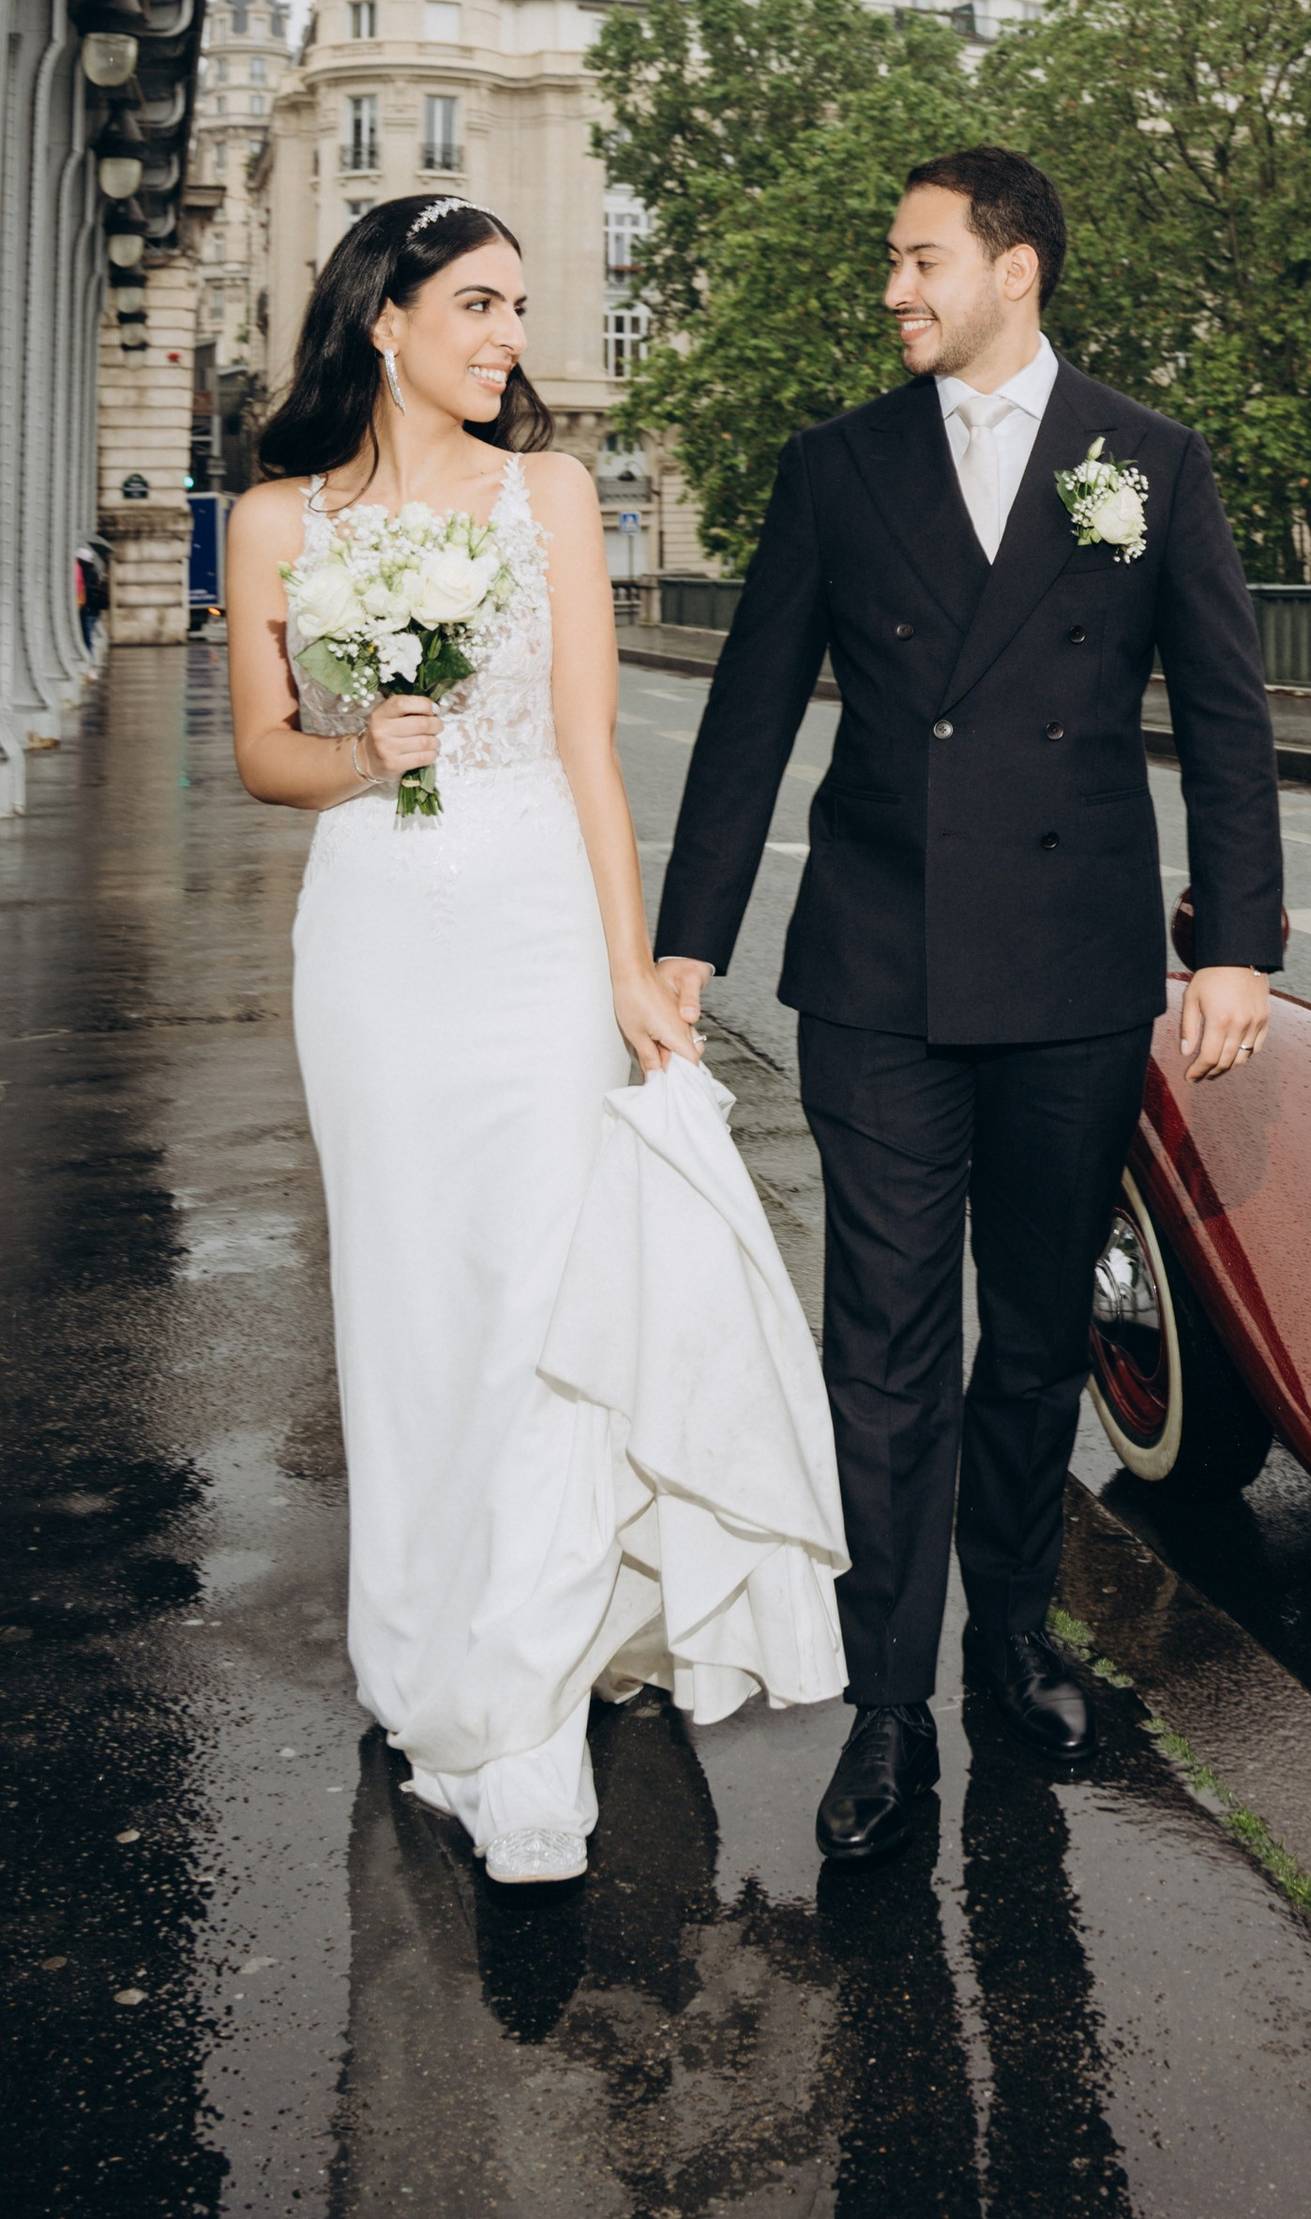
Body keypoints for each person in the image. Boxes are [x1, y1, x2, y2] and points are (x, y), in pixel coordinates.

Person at [655, 146, 1286, 1867]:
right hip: (879, 967)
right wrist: (686, 940)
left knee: (1032, 1339)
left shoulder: (1151, 460)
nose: (893, 288)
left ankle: (1012, 1639)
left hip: (1074, 969)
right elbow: (752, 707)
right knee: (883, 1346)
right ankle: (884, 1706)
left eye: (920, 258)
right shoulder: (838, 464)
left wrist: (1237, 943)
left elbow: (1224, 712)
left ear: (1016, 267)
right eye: (893, 259)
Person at [226, 193, 842, 1890]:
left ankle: (527, 1706)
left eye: (518, 306)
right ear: (386, 318)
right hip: (372, 941)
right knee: (411, 1306)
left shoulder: (548, 495)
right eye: (479, 305)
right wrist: (365, 751)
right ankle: (434, 1659)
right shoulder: (275, 519)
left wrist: (635, 971)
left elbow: (587, 752)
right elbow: (265, 752)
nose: (511, 335)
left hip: (533, 939)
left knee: (542, 1306)